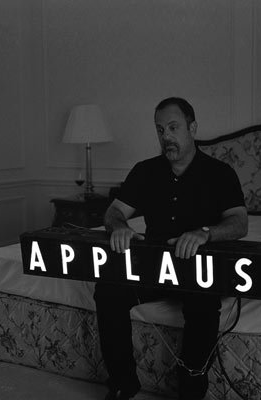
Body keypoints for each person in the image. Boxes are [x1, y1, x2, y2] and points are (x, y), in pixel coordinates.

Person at [94, 97, 248, 400]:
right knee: (108, 290)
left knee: (203, 305)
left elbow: (239, 223)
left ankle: (191, 392)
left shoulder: (220, 173)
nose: (166, 136)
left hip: (199, 268)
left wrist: (206, 234)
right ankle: (123, 384)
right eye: (160, 129)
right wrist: (119, 226)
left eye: (173, 128)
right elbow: (113, 212)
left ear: (193, 128)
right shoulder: (145, 171)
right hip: (155, 266)